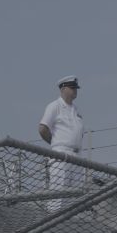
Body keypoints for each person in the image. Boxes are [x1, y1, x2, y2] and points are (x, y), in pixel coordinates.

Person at [38, 76, 85, 211]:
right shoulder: (54, 106)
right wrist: (55, 143)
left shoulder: (76, 110)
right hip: (61, 153)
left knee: (75, 197)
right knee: (58, 194)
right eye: (72, 88)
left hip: (77, 156)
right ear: (63, 89)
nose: (75, 91)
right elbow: (43, 128)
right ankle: (53, 221)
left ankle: (70, 225)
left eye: (76, 88)